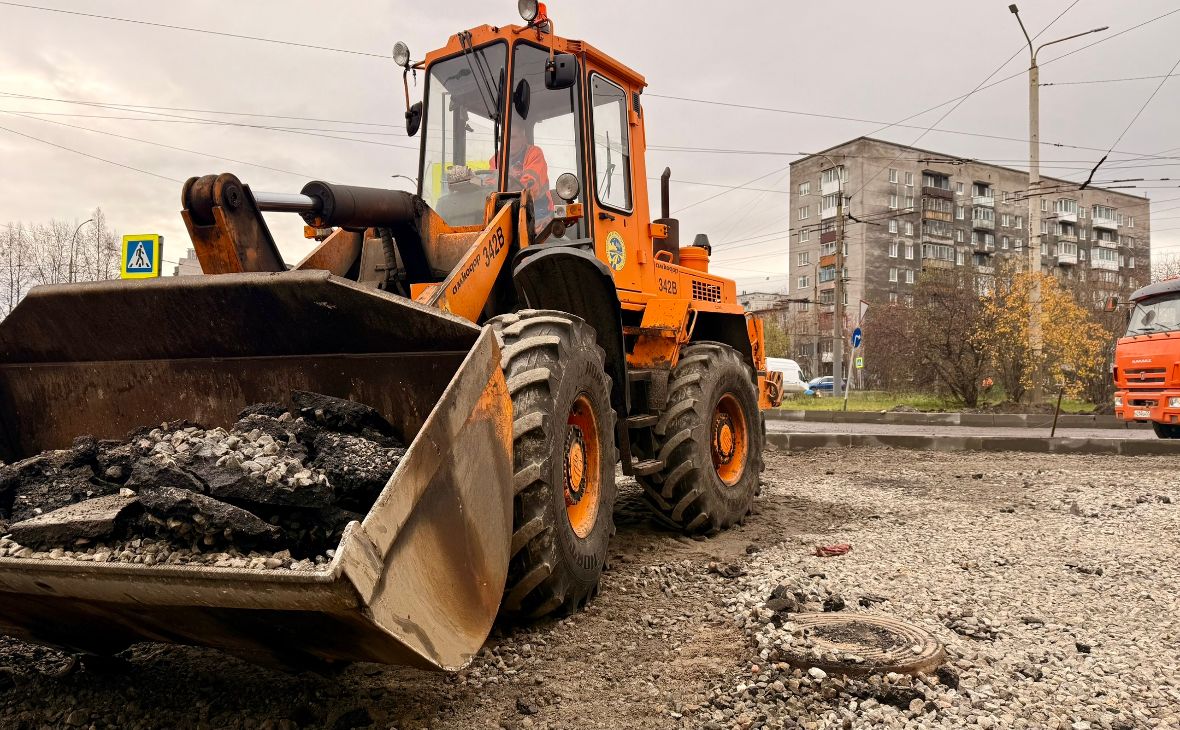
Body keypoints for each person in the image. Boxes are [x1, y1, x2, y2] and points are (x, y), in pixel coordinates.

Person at [491, 121, 552, 230]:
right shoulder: (495, 160)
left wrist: (508, 178)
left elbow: (529, 188)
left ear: (523, 138)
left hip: (536, 210)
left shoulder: (534, 153)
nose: (509, 141)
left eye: (513, 137)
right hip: (507, 211)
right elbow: (490, 187)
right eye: (504, 138)